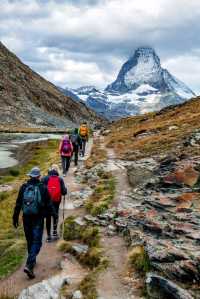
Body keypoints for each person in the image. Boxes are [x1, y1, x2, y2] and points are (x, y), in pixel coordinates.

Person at [12, 167, 56, 279]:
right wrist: (54, 214)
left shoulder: (24, 187)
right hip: (38, 219)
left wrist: (15, 217)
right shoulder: (43, 188)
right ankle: (30, 264)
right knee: (37, 242)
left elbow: (18, 204)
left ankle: (31, 262)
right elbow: (49, 204)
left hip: (26, 218)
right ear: (39, 176)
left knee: (30, 240)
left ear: (30, 176)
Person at [42, 164, 67, 242]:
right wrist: (65, 189)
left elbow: (41, 191)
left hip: (47, 201)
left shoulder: (44, 178)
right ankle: (55, 232)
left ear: (50, 170)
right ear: (57, 170)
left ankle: (49, 236)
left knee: (48, 216)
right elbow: (63, 192)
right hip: (56, 200)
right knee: (55, 214)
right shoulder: (60, 179)